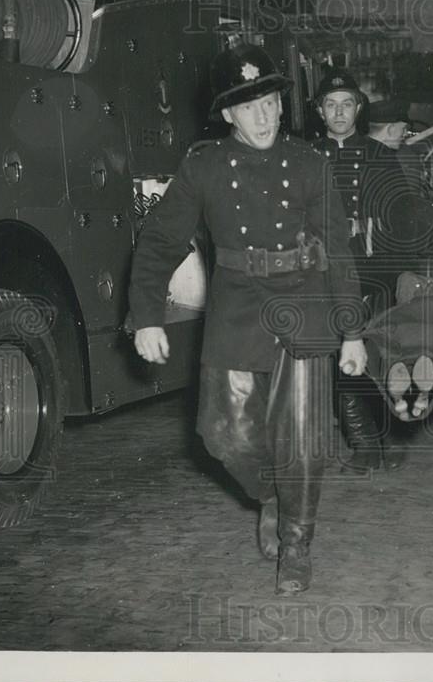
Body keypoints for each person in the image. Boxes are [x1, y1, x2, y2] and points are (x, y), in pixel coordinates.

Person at [128, 44, 368, 595]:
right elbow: (161, 239)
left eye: (270, 101)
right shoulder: (204, 165)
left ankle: (297, 542)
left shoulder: (310, 163)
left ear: (283, 105)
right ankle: (268, 494)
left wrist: (351, 330)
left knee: (304, 441)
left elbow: (337, 250)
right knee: (221, 434)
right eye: (247, 105)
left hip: (304, 303)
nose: (262, 115)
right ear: (228, 114)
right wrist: (146, 316)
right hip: (237, 307)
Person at [312, 70, 417, 472]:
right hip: (323, 273)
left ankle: (388, 435)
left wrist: (406, 271)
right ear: (319, 111)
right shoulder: (306, 158)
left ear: (359, 108)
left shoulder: (381, 158)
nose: (339, 112)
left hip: (373, 272)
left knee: (374, 357)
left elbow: (404, 220)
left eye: (347, 104)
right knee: (338, 359)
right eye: (330, 104)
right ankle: (365, 444)